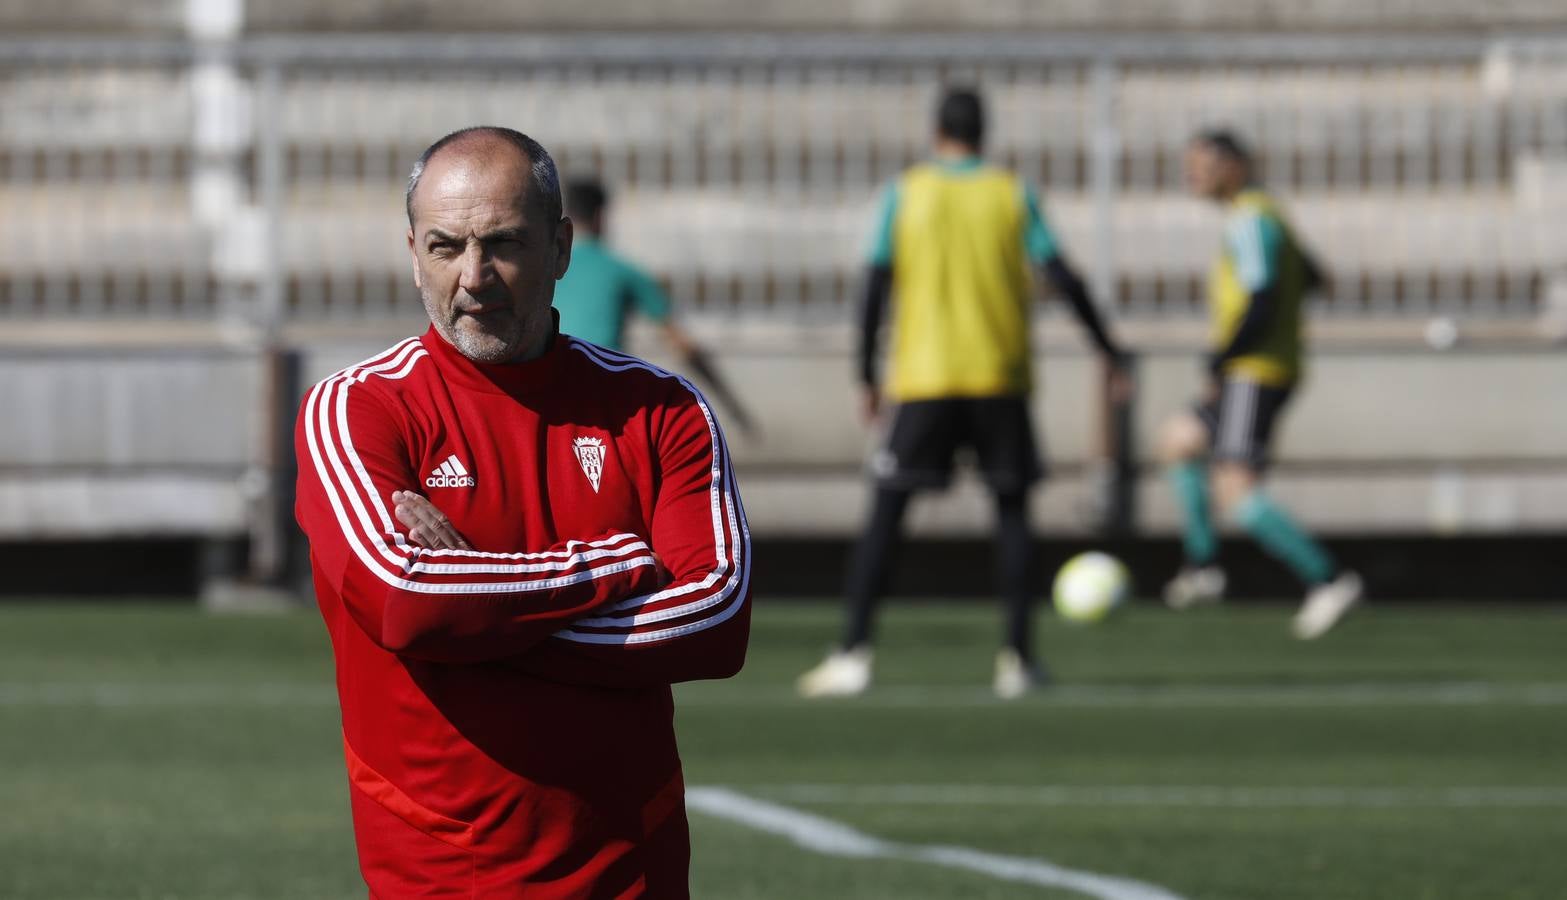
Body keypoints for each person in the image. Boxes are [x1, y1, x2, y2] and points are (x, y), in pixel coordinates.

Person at [293, 126, 751, 898]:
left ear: (562, 247)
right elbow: (407, 601)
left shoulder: (660, 409)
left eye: (502, 243)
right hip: (443, 875)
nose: (473, 278)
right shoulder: (358, 408)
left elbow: (713, 617)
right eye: (444, 248)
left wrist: (475, 611)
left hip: (632, 870)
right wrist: (619, 564)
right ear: (412, 253)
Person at [796, 87, 1129, 700]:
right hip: (999, 375)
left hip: (924, 377)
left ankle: (853, 653)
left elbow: (874, 284)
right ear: (986, 133)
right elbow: (1062, 274)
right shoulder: (1011, 192)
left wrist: (865, 373)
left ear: (935, 131)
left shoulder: (908, 192)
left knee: (887, 515)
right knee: (1012, 515)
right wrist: (1106, 349)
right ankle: (1018, 660)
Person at [1159, 128, 1361, 639]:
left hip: (1255, 372)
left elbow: (1263, 298)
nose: (1191, 176)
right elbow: (1315, 277)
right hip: (1256, 368)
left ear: (1234, 166)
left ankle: (1329, 579)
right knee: (1179, 441)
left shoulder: (1250, 219)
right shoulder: (1266, 214)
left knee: (1238, 492)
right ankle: (1204, 567)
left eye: (1201, 165)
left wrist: (1223, 358)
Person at [555, 178, 756, 434]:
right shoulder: (622, 271)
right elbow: (683, 344)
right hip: (605, 393)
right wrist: (732, 406)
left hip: (552, 388)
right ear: (601, 216)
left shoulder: (544, 269)